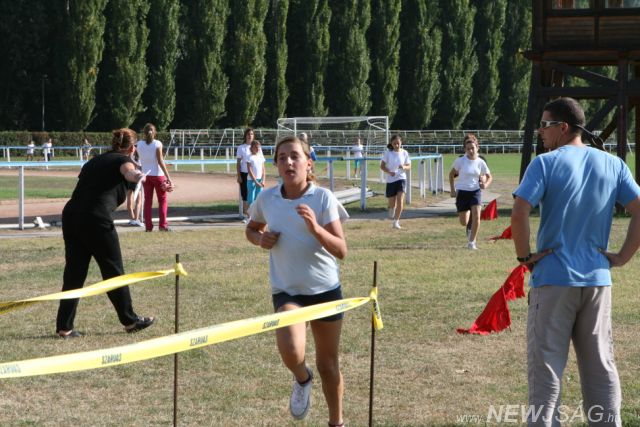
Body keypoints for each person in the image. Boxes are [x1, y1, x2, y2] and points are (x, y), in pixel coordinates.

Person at [511, 97, 640, 426]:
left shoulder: (545, 163)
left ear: (564, 127)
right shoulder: (613, 164)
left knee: (546, 371)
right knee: (601, 368)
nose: (540, 132)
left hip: (553, 280)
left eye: (545, 125)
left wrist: (525, 257)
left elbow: (520, 210)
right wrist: (622, 257)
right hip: (597, 282)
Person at [245, 136, 349, 427]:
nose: (288, 162)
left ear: (308, 163)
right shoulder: (267, 198)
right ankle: (303, 379)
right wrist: (259, 239)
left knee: (328, 365)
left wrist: (316, 228)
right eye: (282, 158)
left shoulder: (322, 198)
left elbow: (341, 250)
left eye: (295, 157)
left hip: (325, 290)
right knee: (291, 351)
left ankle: (336, 422)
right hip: (287, 291)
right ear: (276, 164)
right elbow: (251, 229)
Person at [56, 128, 156, 338]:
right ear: (132, 148)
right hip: (96, 219)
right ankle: (130, 321)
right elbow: (128, 172)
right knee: (113, 270)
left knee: (74, 272)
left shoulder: (95, 161)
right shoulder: (124, 160)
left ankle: (64, 327)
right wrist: (137, 175)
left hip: (72, 215)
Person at [448, 134, 492, 250]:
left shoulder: (481, 162)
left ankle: (472, 242)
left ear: (477, 147)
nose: (471, 151)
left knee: (477, 217)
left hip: (475, 191)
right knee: (464, 222)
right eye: (468, 149)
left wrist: (485, 184)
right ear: (465, 150)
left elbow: (489, 177)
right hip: (462, 192)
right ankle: (468, 225)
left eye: (472, 148)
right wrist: (452, 190)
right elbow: (451, 174)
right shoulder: (460, 161)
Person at [137, 123, 172, 232]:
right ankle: (163, 226)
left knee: (147, 201)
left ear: (144, 132)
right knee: (162, 200)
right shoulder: (157, 144)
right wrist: (168, 177)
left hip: (146, 176)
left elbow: (138, 159)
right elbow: (160, 161)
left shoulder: (139, 144)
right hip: (158, 175)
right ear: (155, 132)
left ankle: (148, 227)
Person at [380, 135, 411, 229]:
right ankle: (391, 209)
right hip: (391, 180)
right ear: (391, 144)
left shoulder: (405, 153)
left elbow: (409, 166)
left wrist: (404, 167)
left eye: (398, 143)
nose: (397, 145)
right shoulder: (388, 153)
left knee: (400, 200)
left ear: (401, 143)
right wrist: (389, 172)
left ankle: (396, 222)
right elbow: (382, 166)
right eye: (394, 143)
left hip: (401, 179)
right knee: (392, 204)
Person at [237, 128, 258, 222]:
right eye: (248, 134)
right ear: (245, 136)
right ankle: (248, 216)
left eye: (252, 134)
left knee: (254, 195)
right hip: (245, 174)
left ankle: (255, 216)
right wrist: (239, 176)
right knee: (245, 195)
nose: (250, 136)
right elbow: (238, 163)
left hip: (256, 175)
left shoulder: (257, 147)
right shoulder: (241, 147)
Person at [126, 145, 144, 227]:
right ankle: (135, 219)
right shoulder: (138, 158)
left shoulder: (128, 157)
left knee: (130, 199)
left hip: (129, 178)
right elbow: (139, 166)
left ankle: (132, 219)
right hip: (136, 179)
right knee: (138, 200)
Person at [246, 140, 266, 207]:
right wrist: (255, 181)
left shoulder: (261, 157)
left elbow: (263, 169)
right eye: (255, 147)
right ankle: (250, 213)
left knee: (259, 199)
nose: (257, 149)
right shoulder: (249, 157)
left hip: (260, 180)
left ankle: (257, 213)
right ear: (251, 148)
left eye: (258, 147)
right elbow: (249, 170)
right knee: (251, 200)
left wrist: (263, 180)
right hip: (251, 180)